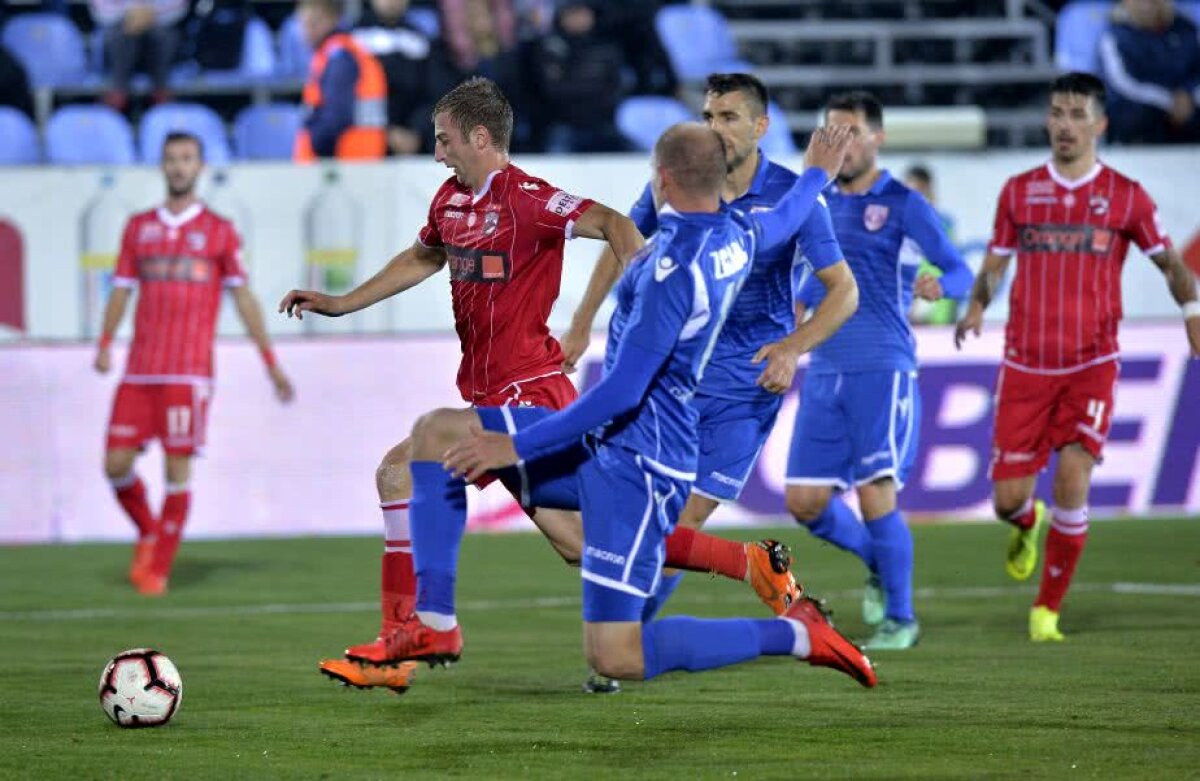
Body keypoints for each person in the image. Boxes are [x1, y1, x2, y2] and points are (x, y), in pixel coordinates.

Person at [280, 78, 798, 693]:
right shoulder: (449, 202)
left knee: (403, 469)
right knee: (583, 544)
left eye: (445, 140)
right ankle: (749, 562)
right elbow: (425, 257)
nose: (437, 153)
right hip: (489, 393)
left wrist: (642, 285)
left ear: (479, 137)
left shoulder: (530, 198)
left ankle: (406, 639)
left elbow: (607, 220)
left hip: (533, 394)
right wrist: (343, 303)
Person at [426, 123, 876, 688]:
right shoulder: (734, 234)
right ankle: (423, 620)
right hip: (613, 450)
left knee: (616, 656)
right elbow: (783, 220)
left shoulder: (673, 271)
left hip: (639, 462)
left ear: (662, 179)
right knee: (435, 433)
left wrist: (512, 446)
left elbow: (623, 391)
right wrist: (817, 174)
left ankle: (798, 635)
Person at [562, 72, 857, 623]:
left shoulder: (796, 197)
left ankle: (627, 635)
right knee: (630, 520)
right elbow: (623, 238)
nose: (715, 128)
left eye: (728, 117)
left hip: (743, 386)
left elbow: (845, 291)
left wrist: (793, 348)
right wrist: (582, 323)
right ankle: (630, 632)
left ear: (761, 127)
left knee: (681, 521)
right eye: (707, 116)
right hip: (675, 381)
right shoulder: (685, 183)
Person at [955, 72, 1200, 641]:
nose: (1064, 124)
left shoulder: (1126, 195)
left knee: (1071, 481)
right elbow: (994, 263)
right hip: (1024, 365)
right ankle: (1025, 522)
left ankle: (1046, 611)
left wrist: (1192, 315)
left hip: (1092, 364)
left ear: (1100, 124)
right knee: (1007, 499)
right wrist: (974, 307)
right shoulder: (1018, 191)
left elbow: (1170, 264)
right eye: (1057, 112)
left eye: (1076, 114)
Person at [788, 91, 972, 651]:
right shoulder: (817, 202)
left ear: (878, 139)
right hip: (824, 367)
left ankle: (900, 617)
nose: (839, 145)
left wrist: (945, 286)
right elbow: (811, 277)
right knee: (805, 502)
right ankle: (877, 560)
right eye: (830, 135)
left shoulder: (905, 204)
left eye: (850, 133)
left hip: (882, 367)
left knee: (876, 496)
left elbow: (961, 268)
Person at [94, 131, 295, 596]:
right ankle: (148, 529)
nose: (179, 167)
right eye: (171, 160)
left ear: (200, 166)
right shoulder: (138, 227)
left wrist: (270, 362)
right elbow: (121, 289)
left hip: (188, 374)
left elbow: (243, 298)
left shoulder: (220, 231)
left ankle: (157, 570)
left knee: (176, 470)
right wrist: (105, 342)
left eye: (187, 158)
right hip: (140, 370)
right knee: (115, 464)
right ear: (162, 167)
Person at [525, 1, 628, 153]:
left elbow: (616, 89)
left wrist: (573, 80)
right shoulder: (550, 47)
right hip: (564, 126)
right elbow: (553, 91)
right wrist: (592, 84)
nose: (577, 18)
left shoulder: (607, 48)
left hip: (603, 126)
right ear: (561, 16)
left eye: (581, 12)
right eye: (571, 13)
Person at [294, 0, 388, 162]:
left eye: (313, 22)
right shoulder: (345, 50)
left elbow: (336, 117)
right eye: (304, 23)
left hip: (343, 165)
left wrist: (315, 147)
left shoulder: (339, 57)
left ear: (333, 18)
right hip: (359, 162)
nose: (306, 31)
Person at [1098, 0, 1200, 144]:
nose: (1147, 4)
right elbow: (1122, 83)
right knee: (1134, 116)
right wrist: (1169, 101)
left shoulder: (1187, 29)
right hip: (1141, 109)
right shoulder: (1115, 36)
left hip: (1187, 105)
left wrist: (1188, 96)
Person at [353, 0, 444, 156]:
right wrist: (387, 132)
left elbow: (432, 93)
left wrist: (416, 131)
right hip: (368, 140)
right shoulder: (355, 39)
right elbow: (352, 96)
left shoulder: (420, 40)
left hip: (416, 142)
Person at [89, 0, 188, 110]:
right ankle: (118, 90)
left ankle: (160, 90)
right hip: (120, 24)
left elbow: (180, 5)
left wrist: (149, 14)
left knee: (165, 36)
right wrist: (130, 13)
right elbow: (99, 6)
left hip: (158, 23)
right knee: (120, 35)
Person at [902, 164, 960, 326]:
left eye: (916, 191)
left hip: (933, 311)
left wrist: (921, 305)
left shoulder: (942, 224)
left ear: (928, 191)